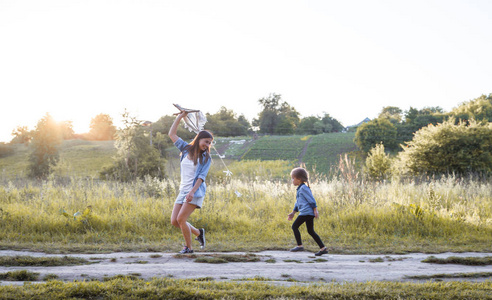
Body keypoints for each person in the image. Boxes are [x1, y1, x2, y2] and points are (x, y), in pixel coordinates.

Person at [168, 111, 213, 254]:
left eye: (210, 143)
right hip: (183, 190)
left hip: (195, 191)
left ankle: (188, 248)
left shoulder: (206, 158)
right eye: (206, 142)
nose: (207, 145)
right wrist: (180, 117)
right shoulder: (186, 149)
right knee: (175, 221)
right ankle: (199, 233)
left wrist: (192, 192)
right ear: (199, 139)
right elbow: (172, 134)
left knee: (181, 219)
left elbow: (201, 177)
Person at [287, 167, 328, 256]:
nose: (292, 180)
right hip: (307, 213)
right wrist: (293, 212)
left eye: (293, 178)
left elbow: (311, 199)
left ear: (299, 179)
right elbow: (298, 202)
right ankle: (323, 248)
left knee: (294, 226)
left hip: (307, 212)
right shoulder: (300, 189)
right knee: (310, 231)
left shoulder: (303, 188)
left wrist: (315, 210)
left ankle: (299, 246)